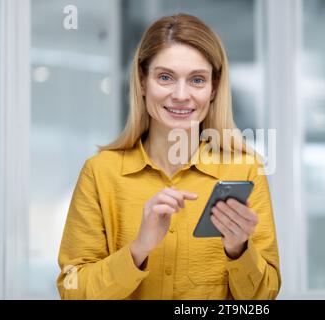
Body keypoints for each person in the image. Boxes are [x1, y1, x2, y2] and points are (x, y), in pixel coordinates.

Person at [57, 13, 280, 300]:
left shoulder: (245, 170)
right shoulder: (100, 173)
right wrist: (138, 249)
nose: (180, 94)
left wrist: (238, 250)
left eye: (197, 80)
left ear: (213, 89)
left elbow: (264, 298)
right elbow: (72, 290)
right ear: (142, 81)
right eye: (165, 77)